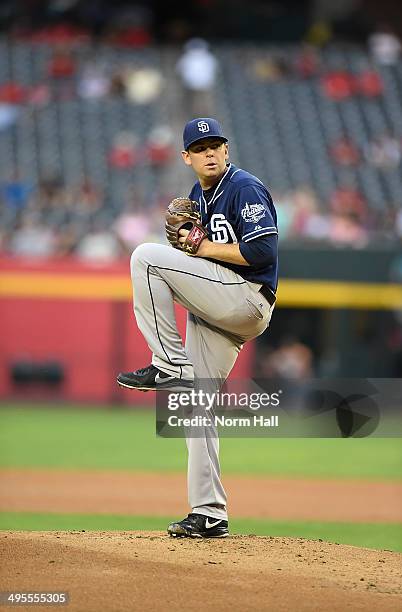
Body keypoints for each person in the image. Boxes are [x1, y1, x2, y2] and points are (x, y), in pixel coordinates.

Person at [117, 118, 278, 538]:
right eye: (200, 147)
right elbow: (199, 262)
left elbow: (263, 250)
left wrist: (200, 247)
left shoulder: (244, 187)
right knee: (194, 404)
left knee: (145, 257)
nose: (209, 152)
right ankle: (209, 514)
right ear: (186, 157)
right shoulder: (196, 196)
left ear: (227, 150)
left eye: (216, 145)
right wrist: (192, 251)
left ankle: (168, 362)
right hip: (219, 306)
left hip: (247, 295)